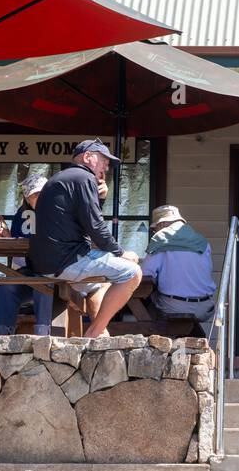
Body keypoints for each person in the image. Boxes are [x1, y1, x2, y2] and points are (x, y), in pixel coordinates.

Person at [29, 139, 142, 338]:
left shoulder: (61, 178)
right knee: (132, 273)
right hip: (67, 262)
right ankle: (94, 334)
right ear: (88, 157)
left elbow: (81, 222)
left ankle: (101, 335)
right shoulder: (83, 179)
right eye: (104, 160)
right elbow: (96, 227)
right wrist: (122, 253)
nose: (106, 166)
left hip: (46, 264)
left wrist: (101, 199)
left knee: (99, 285)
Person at [141, 205, 217, 337]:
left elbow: (144, 274)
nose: (154, 232)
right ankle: (191, 340)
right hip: (205, 307)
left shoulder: (161, 238)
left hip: (174, 306)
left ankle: (153, 344)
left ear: (163, 223)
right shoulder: (202, 241)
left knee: (142, 302)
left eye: (155, 228)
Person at [0, 175, 50, 335]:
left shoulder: (60, 213)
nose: (40, 198)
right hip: (28, 271)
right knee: (5, 289)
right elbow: (18, 253)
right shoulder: (22, 216)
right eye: (35, 195)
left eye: (43, 194)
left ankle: (43, 337)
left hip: (56, 274)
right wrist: (8, 239)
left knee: (42, 287)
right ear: (27, 198)